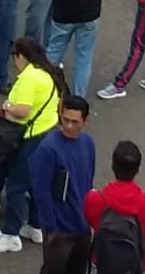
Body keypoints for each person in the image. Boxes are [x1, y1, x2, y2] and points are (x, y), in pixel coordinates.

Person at [0, 36, 63, 253]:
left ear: (21, 56)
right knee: (38, 182)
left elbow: (23, 110)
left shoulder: (28, 78)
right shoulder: (47, 74)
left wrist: (8, 106)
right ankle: (35, 225)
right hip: (48, 134)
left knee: (16, 184)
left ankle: (10, 234)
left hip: (31, 138)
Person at [28, 95, 96, 274]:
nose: (69, 126)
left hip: (82, 226)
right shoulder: (48, 149)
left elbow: (88, 180)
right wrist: (52, 226)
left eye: (75, 122)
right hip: (60, 231)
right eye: (65, 119)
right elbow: (40, 191)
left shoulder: (88, 143)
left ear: (85, 121)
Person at [84, 140, 145, 274]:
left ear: (113, 166)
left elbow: (90, 220)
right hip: (138, 265)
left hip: (102, 263)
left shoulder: (95, 198)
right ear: (137, 169)